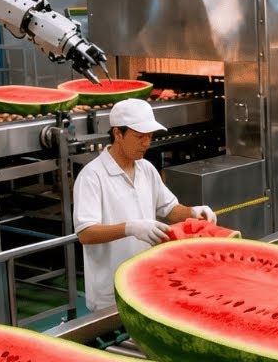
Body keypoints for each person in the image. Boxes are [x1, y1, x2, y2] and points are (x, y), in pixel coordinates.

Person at [73, 99, 217, 312]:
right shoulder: (92, 176)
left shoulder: (146, 169)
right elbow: (85, 233)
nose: (146, 143)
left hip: (146, 283)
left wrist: (194, 212)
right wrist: (130, 228)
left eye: (149, 136)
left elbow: (169, 209)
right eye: (139, 136)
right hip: (110, 294)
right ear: (118, 134)